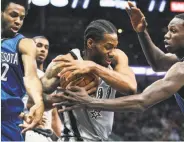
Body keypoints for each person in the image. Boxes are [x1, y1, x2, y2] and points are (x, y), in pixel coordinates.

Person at [53, 3, 184, 114]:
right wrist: (141, 32)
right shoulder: (179, 63)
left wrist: (90, 102)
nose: (166, 35)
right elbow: (159, 63)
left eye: (173, 31)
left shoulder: (181, 69)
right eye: (167, 30)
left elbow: (142, 102)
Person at [41, 19, 137, 141]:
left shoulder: (117, 58)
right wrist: (62, 98)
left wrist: (94, 67)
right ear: (90, 43)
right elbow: (35, 99)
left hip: (103, 138)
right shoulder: (66, 63)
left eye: (115, 47)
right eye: (108, 47)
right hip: (75, 138)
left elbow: (131, 88)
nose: (112, 53)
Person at [1, 0, 44, 141]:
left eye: (21, 18)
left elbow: (31, 76)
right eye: (13, 15)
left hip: (8, 122)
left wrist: (38, 101)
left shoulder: (24, 43)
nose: (18, 21)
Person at [22, 36, 62, 142]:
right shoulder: (21, 74)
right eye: (39, 46)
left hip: (46, 135)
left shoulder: (50, 80)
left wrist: (59, 138)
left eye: (46, 47)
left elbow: (53, 115)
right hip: (27, 131)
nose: (43, 49)